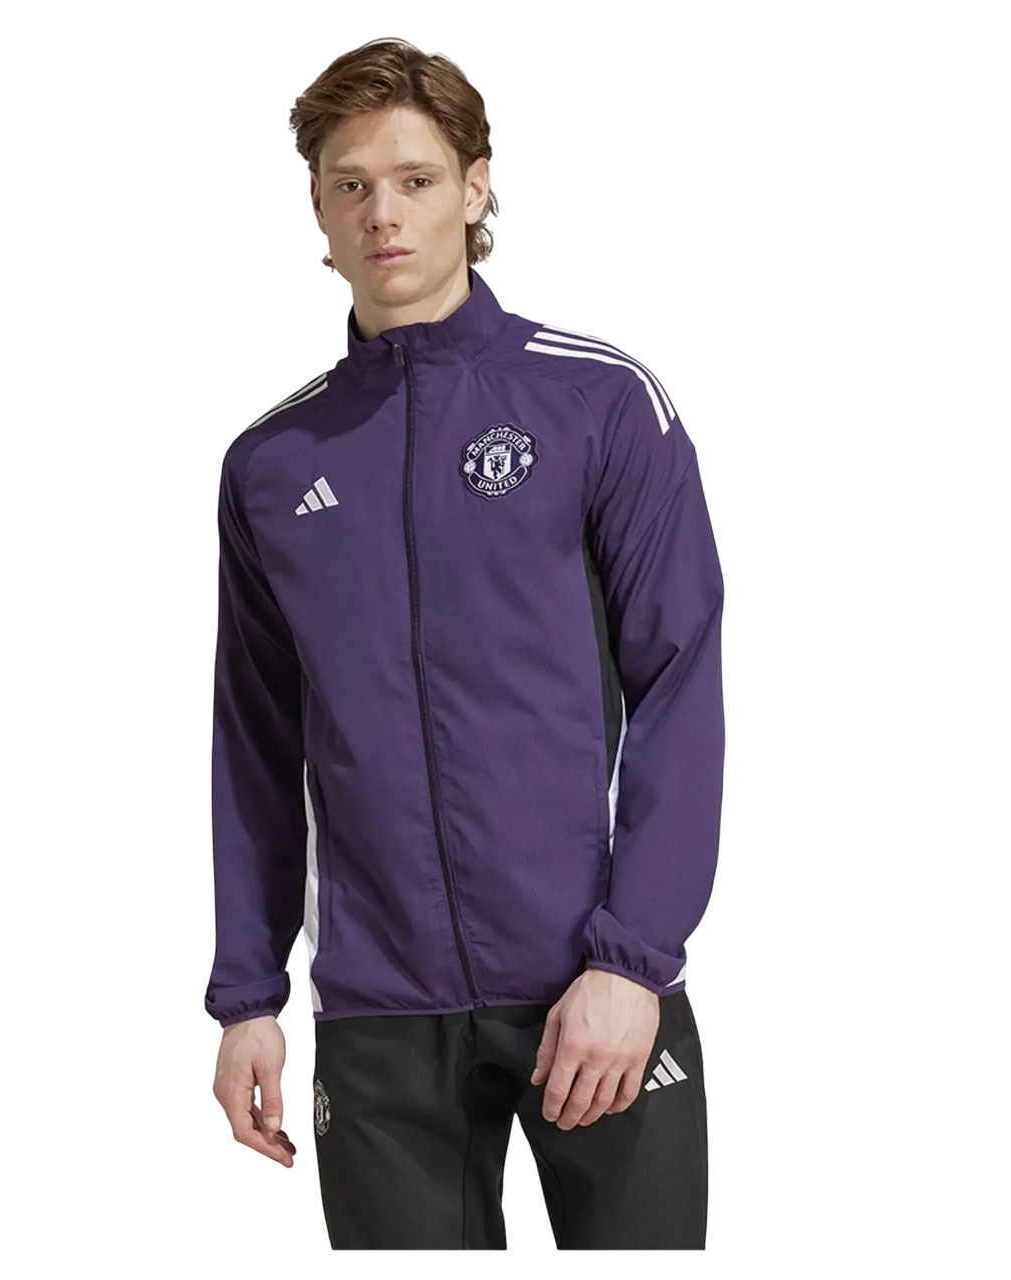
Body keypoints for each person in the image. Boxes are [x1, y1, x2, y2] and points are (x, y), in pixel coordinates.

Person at [208, 37, 723, 1250]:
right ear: (317, 207)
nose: (382, 214)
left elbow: (679, 683)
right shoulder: (270, 463)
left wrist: (632, 957)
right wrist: (246, 995)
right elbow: (254, 745)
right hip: (376, 1003)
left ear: (477, 186)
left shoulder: (599, 400)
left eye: (415, 178)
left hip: (592, 984)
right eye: (351, 184)